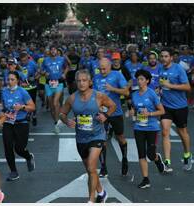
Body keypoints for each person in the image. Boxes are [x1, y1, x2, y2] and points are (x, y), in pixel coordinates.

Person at [59, 69, 116, 203]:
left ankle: (91, 200)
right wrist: (67, 121)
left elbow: (112, 106)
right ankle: (101, 192)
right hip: (81, 138)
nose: (81, 83)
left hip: (97, 135)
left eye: (84, 80)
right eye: (79, 81)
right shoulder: (72, 98)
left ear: (90, 82)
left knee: (91, 167)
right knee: (90, 170)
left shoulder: (98, 96)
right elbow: (62, 114)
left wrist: (105, 115)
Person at [93, 58, 130, 177]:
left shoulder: (117, 76)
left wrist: (113, 89)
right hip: (101, 113)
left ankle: (124, 159)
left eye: (104, 68)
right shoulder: (96, 78)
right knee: (101, 139)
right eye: (100, 68)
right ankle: (103, 167)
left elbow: (126, 93)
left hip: (116, 112)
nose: (102, 71)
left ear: (110, 67)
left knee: (120, 137)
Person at [159, 47, 192, 172]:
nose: (163, 58)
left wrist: (170, 86)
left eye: (166, 56)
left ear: (171, 58)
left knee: (182, 132)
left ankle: (187, 155)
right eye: (162, 56)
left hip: (180, 106)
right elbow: (161, 84)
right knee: (165, 132)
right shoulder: (160, 69)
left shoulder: (178, 69)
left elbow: (187, 87)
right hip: (166, 106)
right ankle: (167, 161)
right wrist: (159, 89)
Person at [130, 69, 165, 188]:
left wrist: (149, 114)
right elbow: (135, 109)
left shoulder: (151, 94)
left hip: (152, 128)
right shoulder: (134, 95)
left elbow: (162, 111)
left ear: (147, 81)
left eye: (142, 79)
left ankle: (156, 158)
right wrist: (131, 112)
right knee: (141, 154)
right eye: (138, 79)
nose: (139, 82)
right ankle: (146, 179)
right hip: (139, 127)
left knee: (150, 154)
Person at [1, 71, 36, 181]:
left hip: (21, 123)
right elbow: (3, 107)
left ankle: (28, 156)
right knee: (7, 147)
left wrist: (22, 107)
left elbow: (32, 107)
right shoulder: (4, 92)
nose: (10, 82)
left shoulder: (22, 92)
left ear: (17, 80)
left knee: (19, 148)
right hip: (8, 122)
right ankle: (13, 171)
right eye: (9, 79)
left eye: (12, 79)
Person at [41, 45, 68, 134]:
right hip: (48, 84)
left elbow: (67, 67)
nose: (53, 51)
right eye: (51, 50)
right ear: (49, 51)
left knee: (56, 102)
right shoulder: (45, 60)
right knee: (52, 106)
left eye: (54, 49)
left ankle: (57, 123)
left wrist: (64, 74)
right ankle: (56, 122)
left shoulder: (61, 59)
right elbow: (42, 71)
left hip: (59, 83)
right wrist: (44, 73)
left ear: (57, 51)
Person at [19, 52, 39, 126]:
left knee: (32, 102)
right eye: (22, 61)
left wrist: (35, 77)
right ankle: (26, 115)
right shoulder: (19, 65)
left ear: (28, 58)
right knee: (24, 102)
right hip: (23, 87)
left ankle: (34, 115)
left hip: (32, 86)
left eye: (25, 60)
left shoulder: (32, 64)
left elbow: (39, 72)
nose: (24, 62)